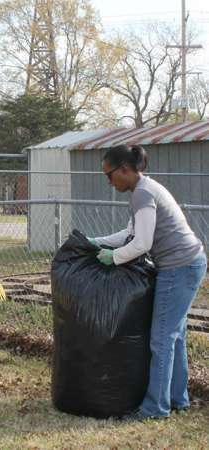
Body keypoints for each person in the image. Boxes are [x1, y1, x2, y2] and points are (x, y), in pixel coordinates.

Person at [88, 144, 207, 421]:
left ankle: (155, 408)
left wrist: (113, 258)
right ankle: (178, 399)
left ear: (126, 169)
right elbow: (130, 233)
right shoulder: (145, 189)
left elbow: (141, 244)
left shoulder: (142, 193)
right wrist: (96, 242)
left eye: (110, 175)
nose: (108, 181)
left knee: (162, 339)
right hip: (190, 262)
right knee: (174, 337)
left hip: (179, 268)